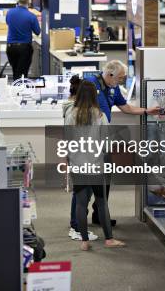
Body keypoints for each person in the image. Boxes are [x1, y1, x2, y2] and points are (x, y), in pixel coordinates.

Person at [85, 60, 161, 226]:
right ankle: (77, 221)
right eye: (119, 78)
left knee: (105, 178)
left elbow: (125, 107)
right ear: (110, 74)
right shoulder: (90, 84)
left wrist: (146, 111)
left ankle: (100, 214)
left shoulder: (113, 88)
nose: (120, 81)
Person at [64, 80, 125, 251]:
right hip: (96, 166)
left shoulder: (71, 114)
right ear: (93, 96)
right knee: (101, 203)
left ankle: (84, 241)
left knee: (81, 204)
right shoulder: (100, 116)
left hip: (78, 166)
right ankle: (109, 239)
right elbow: (106, 144)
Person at [63, 75, 99, 242]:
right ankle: (77, 227)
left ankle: (75, 225)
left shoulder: (71, 113)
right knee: (86, 195)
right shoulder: (98, 115)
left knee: (79, 194)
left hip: (76, 158)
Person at [6, 0, 41, 80]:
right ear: (28, 3)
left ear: (18, 2)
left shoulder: (10, 12)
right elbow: (37, 32)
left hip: (11, 48)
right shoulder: (31, 16)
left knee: (15, 72)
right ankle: (20, 91)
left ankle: (15, 90)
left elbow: (8, 23)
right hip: (24, 48)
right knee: (22, 74)